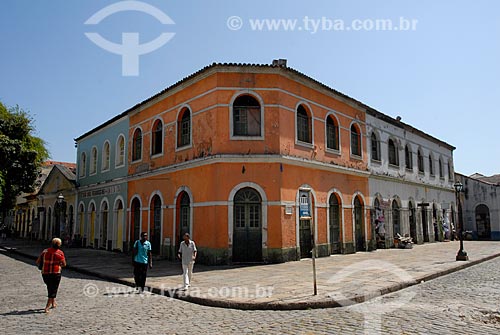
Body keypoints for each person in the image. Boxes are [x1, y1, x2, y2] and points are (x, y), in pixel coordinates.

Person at [36, 238, 66, 313]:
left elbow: (38, 261)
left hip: (45, 273)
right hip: (55, 273)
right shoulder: (60, 253)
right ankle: (47, 307)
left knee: (50, 287)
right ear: (59, 245)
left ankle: (53, 302)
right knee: (53, 289)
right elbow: (64, 264)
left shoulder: (45, 251)